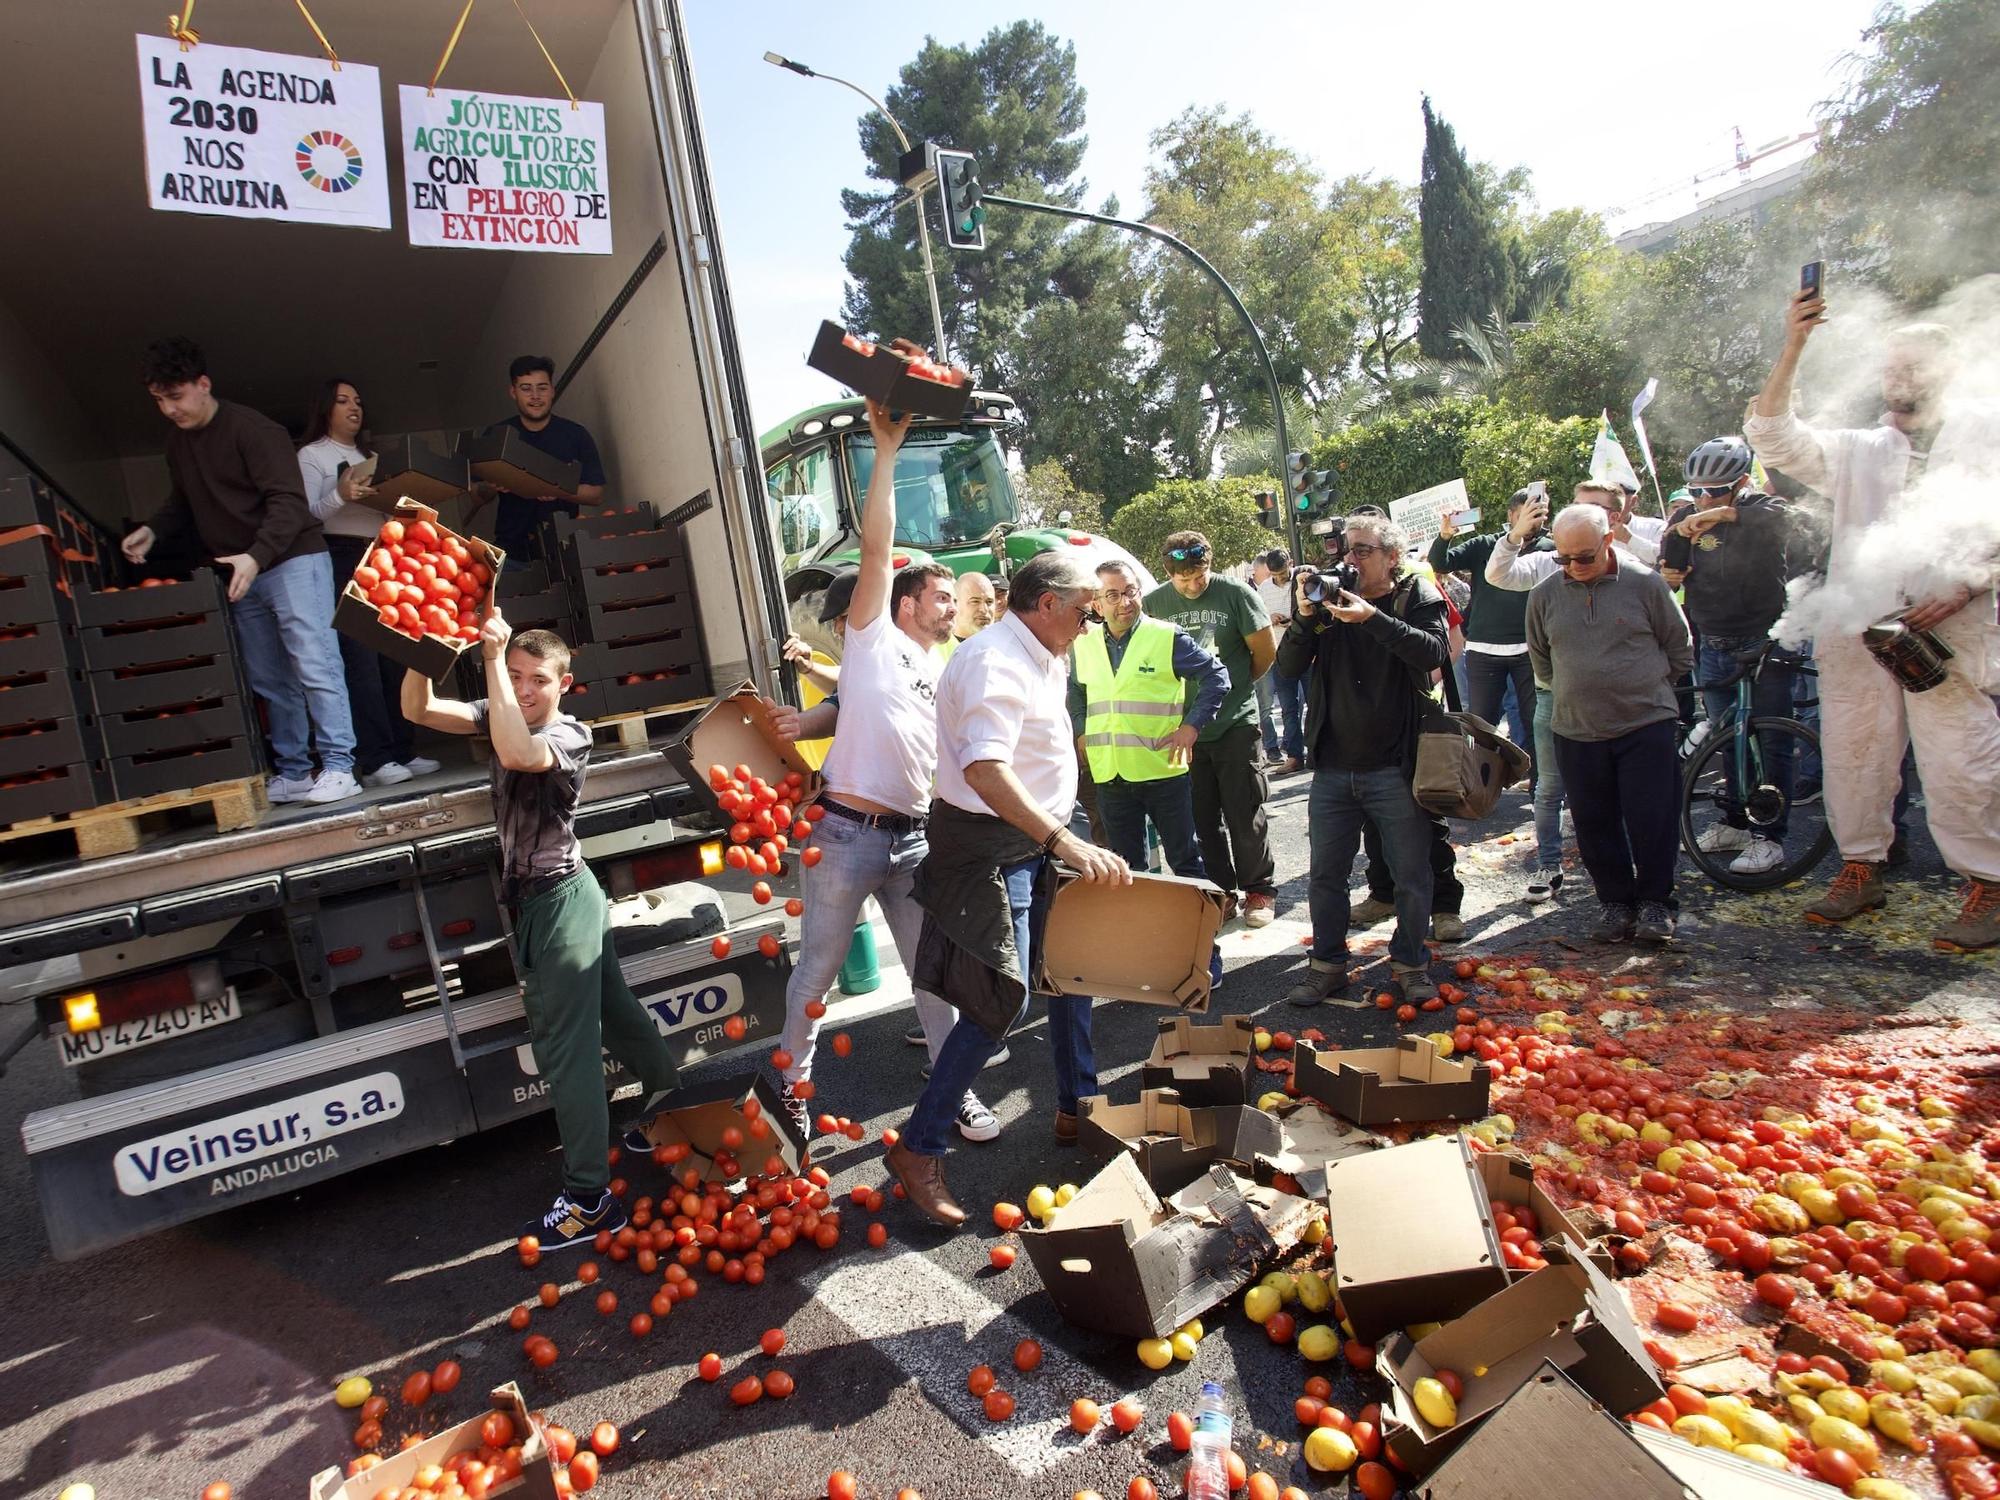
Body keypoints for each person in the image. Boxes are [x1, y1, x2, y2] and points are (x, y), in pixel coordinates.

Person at [402, 616, 680, 1245]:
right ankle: (671, 1109)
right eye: (516, 678)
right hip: (555, 898)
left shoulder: (568, 733)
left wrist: (495, 659)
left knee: (567, 1051)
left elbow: (516, 754)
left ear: (565, 685)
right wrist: (422, 642)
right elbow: (417, 706)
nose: (525, 690)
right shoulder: (502, 710)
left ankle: (588, 1198)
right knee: (617, 1011)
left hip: (558, 902)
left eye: (538, 680)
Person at [763, 399, 997, 1143]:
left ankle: (953, 1085)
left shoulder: (940, 666)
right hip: (846, 838)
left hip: (915, 841)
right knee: (817, 974)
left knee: (936, 973)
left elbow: (869, 715)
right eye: (938, 595)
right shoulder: (869, 638)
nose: (950, 604)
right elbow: (876, 546)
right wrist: (886, 450)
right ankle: (791, 1090)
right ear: (903, 602)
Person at [885, 552, 1133, 1226]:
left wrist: (1072, 828)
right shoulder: (994, 660)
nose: (1089, 621)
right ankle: (919, 1146)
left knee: (1071, 969)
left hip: (1040, 837)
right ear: (1046, 602)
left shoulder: (1045, 650)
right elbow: (987, 770)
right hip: (993, 846)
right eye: (1083, 608)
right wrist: (1063, 841)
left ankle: (1074, 1109)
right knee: (1005, 994)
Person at [1745, 293, 2000, 948]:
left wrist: (1971, 582)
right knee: (1854, 753)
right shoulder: (1862, 448)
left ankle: (1989, 884)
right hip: (1859, 629)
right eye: (1891, 368)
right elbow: (1772, 437)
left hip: (1952, 633)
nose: (1898, 379)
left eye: (1913, 368)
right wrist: (1795, 344)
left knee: (1962, 762)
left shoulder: (1987, 435)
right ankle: (1862, 868)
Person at [123, 337, 359, 806]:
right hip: (239, 570)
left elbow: (289, 503)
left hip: (291, 558)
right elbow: (184, 501)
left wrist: (257, 554)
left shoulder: (254, 430)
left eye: (176, 396)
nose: (169, 409)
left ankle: (339, 767)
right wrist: (153, 530)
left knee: (315, 662)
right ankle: (293, 772)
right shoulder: (178, 444)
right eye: (159, 400)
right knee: (268, 677)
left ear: (203, 384)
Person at [1278, 512, 1448, 1006]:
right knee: (1326, 874)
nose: (1349, 560)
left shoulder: (1414, 594)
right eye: (1345, 550)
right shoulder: (1326, 601)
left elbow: (1432, 651)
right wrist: (1307, 620)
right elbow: (1287, 668)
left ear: (1392, 557)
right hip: (1334, 763)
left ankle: (1411, 962)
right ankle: (1327, 964)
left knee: (1411, 874)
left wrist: (1373, 619)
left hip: (1395, 763)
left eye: (1362, 551)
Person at [1483, 482, 1658, 902]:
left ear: (1612, 523)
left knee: (1619, 794)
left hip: (1624, 706)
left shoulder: (1635, 572)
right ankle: (1551, 864)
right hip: (1557, 702)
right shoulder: (1547, 568)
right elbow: (1500, 575)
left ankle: (1637, 882)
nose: (1574, 563)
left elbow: (1672, 640)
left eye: (1594, 510)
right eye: (1576, 507)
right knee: (1550, 788)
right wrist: (1514, 536)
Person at [1526, 506, 1693, 945]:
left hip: (1644, 723)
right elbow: (1542, 660)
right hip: (1577, 728)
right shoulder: (1544, 595)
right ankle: (1615, 904)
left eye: (1583, 557)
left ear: (1607, 542)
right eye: (1563, 558)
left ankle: (1656, 903)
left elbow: (1679, 647)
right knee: (1593, 823)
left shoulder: (1644, 583)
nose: (1572, 567)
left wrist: (1646, 688)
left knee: (1652, 818)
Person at [1659, 436, 1820, 878]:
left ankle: (1770, 836)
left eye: (1714, 491)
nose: (1702, 500)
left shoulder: (1763, 511)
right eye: (1695, 492)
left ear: (1743, 482)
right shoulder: (1684, 518)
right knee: (1726, 736)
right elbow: (1670, 571)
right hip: (1712, 640)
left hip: (1765, 638)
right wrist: (1670, 562)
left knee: (1772, 741)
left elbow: (1795, 519)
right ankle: (1733, 821)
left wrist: (1724, 513)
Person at [297, 379, 443, 790]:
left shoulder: (369, 457)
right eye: (342, 401)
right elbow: (307, 516)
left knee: (393, 656)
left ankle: (402, 748)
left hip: (382, 554)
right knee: (359, 661)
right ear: (324, 408)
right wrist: (341, 494)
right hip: (340, 554)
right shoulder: (311, 456)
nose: (353, 407)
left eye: (358, 401)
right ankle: (375, 758)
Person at [1144, 532, 1279, 927]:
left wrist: (1234, 692)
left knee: (1244, 811)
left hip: (1236, 722)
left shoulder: (1235, 593)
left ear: (1209, 561)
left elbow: (1264, 652)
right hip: (1185, 728)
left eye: (1199, 575)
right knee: (1200, 819)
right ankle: (1219, 893)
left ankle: (1259, 890)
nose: (1193, 584)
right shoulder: (1154, 603)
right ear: (1168, 573)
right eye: (1183, 579)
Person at [1068, 559, 1230, 882]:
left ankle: (1198, 930)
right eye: (1112, 595)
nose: (1125, 602)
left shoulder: (1165, 637)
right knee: (1127, 870)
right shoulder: (1083, 643)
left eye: (1131, 592)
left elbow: (1216, 676)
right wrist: (1081, 728)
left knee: (1185, 861)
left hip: (1161, 772)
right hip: (1110, 775)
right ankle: (1141, 932)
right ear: (1097, 604)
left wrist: (1191, 726)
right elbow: (1075, 688)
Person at [475, 355, 606, 563]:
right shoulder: (497, 435)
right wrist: (492, 486)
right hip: (511, 552)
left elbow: (596, 495)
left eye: (542, 387)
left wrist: (555, 489)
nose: (535, 396)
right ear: (513, 392)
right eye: (526, 388)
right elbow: (474, 495)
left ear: (552, 390)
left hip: (567, 549)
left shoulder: (575, 435)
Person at [1257, 549, 1307, 773]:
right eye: (1275, 575)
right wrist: (1271, 619)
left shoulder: (1303, 579)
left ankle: (1317, 751)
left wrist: (1295, 619)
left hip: (1307, 651)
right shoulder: (1264, 588)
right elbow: (1258, 617)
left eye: (1283, 573)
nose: (1279, 578)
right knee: (1288, 707)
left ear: (1291, 563)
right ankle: (1295, 755)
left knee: (1315, 703)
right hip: (1280, 653)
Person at [1249, 554, 1283, 766]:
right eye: (1268, 571)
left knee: (1293, 704)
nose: (1271, 575)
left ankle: (1292, 745)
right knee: (1266, 706)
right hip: (1265, 656)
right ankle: (1271, 748)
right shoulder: (1253, 593)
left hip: (1288, 653)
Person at [940, 569, 997, 664]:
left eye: (989, 602)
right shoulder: (937, 654)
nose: (984, 609)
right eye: (975, 601)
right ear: (955, 604)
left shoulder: (1007, 647)